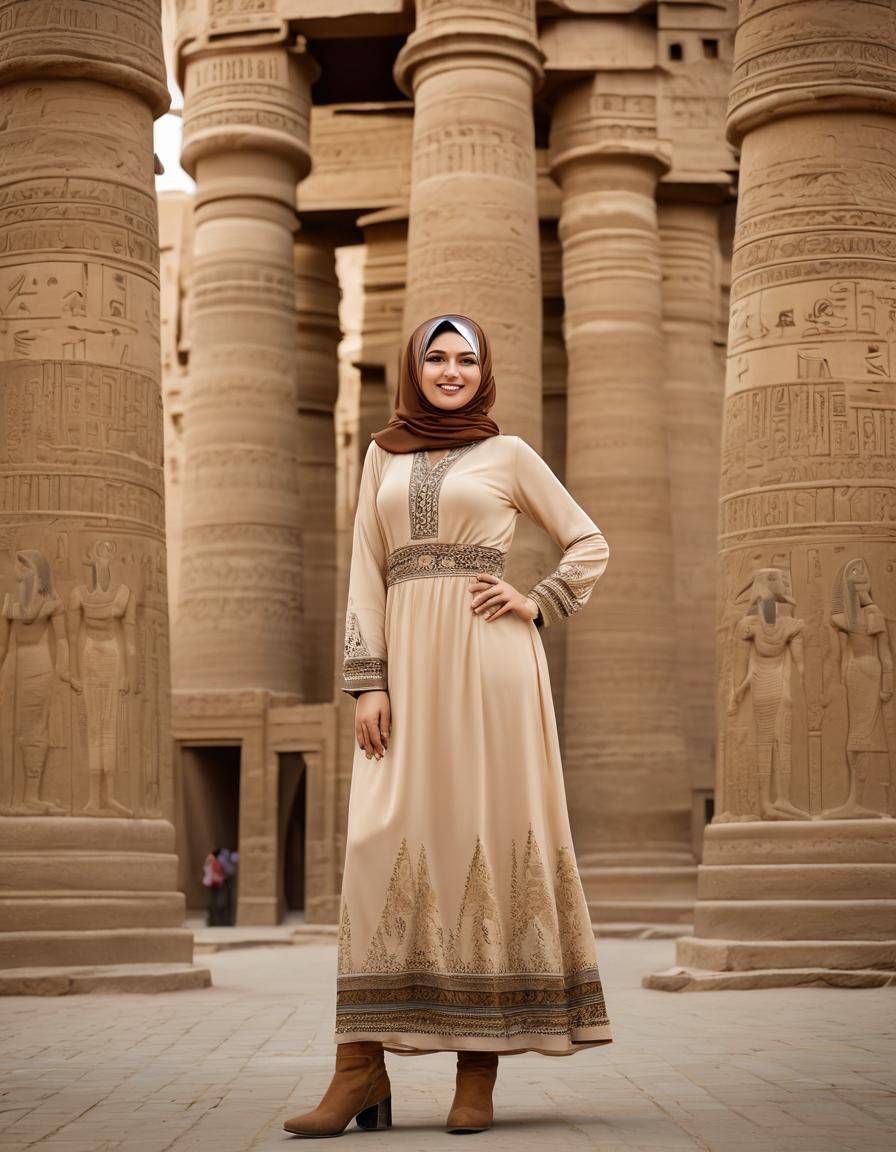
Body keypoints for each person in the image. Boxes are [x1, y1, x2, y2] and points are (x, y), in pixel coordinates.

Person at [284, 315, 612, 1139]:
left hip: (494, 669)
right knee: (377, 845)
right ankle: (358, 1069)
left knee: (488, 839)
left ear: (484, 371)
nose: (452, 371)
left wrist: (536, 600)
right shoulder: (381, 455)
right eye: (437, 357)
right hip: (406, 672)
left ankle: (478, 1068)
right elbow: (364, 566)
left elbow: (588, 541)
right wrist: (368, 684)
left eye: (467, 359)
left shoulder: (509, 455)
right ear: (414, 368)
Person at [202, 848, 225, 926]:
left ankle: (212, 921)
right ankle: (214, 922)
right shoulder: (214, 861)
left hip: (209, 882)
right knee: (214, 903)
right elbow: (217, 872)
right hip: (213, 883)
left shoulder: (209, 861)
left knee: (212, 902)